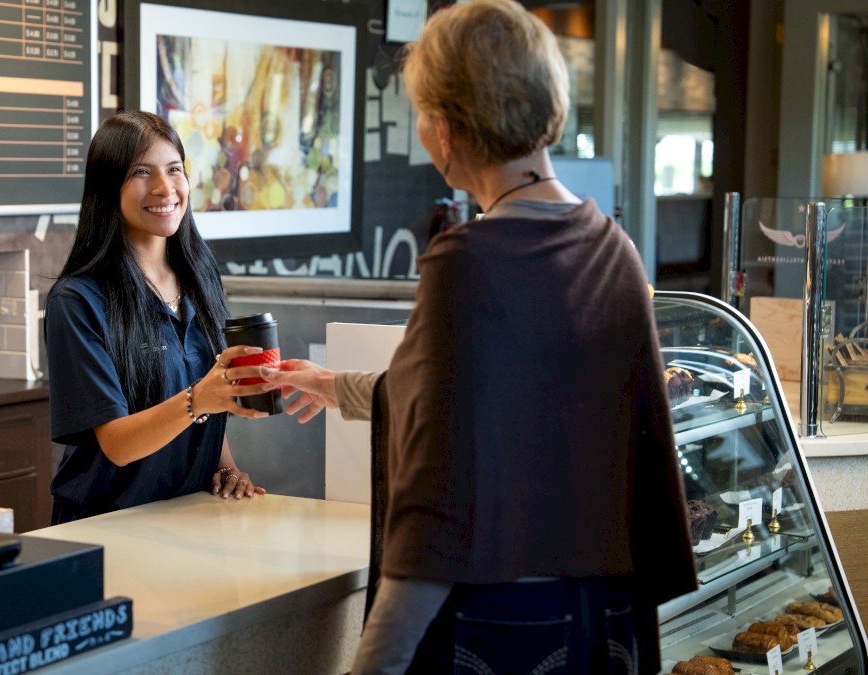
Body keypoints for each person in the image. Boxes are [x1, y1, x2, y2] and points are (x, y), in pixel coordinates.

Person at [230, 2, 697, 672]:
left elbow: (437, 495)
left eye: (422, 109)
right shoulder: (612, 247)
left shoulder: (468, 260)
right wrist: (332, 386)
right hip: (605, 626)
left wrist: (376, 661)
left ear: (448, 128)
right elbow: (481, 401)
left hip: (504, 629)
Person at [45, 111, 272, 524]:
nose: (165, 188)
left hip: (189, 517)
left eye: (174, 170)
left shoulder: (201, 280)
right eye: (141, 172)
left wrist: (225, 467)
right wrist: (201, 397)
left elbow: (208, 406)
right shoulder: (78, 301)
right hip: (105, 527)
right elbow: (117, 444)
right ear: (108, 187)